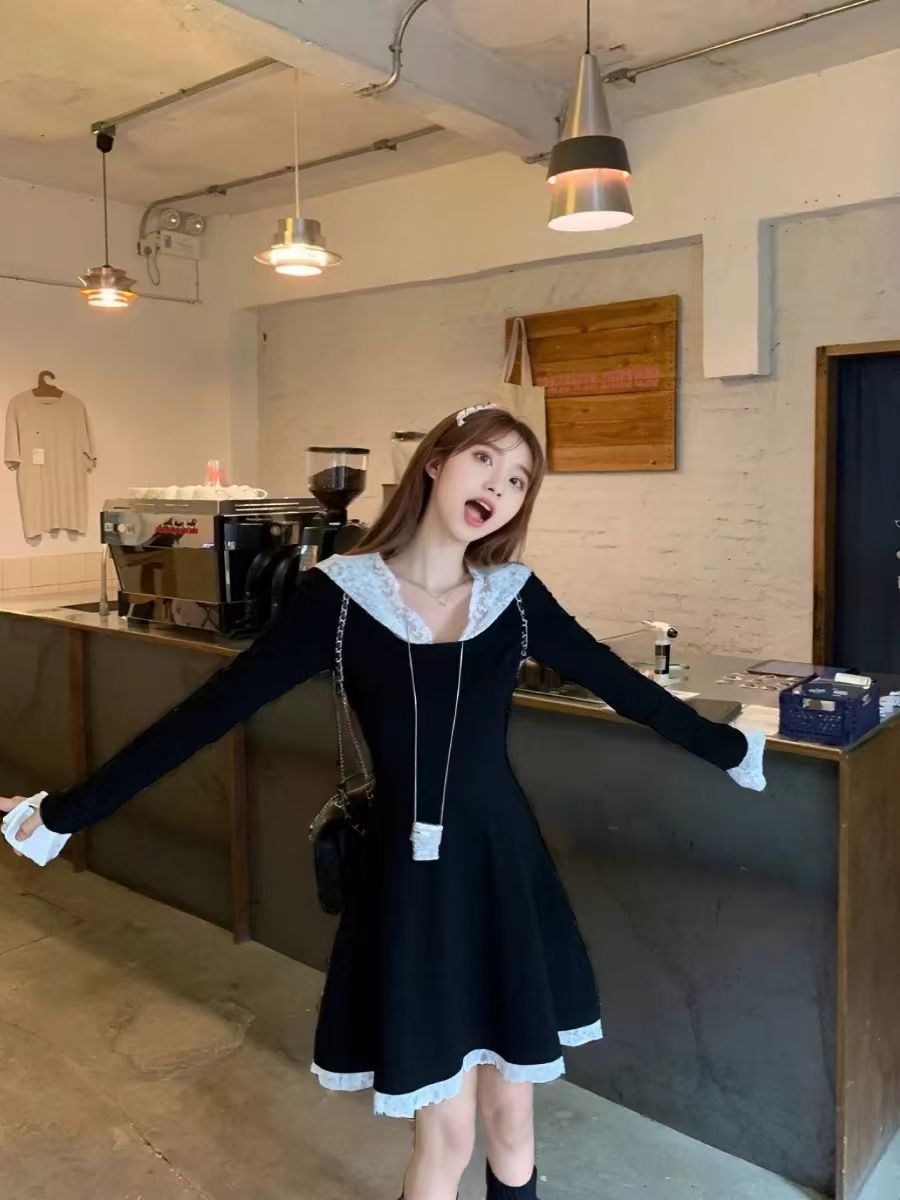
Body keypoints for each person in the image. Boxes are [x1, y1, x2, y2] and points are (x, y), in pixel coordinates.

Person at [1, 403, 765, 1200]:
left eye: (517, 481)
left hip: (503, 869)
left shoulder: (515, 596)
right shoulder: (341, 596)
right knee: (448, 1132)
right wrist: (63, 814)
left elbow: (621, 687)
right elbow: (207, 714)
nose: (498, 488)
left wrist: (729, 748)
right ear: (436, 462)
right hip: (411, 883)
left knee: (514, 1119)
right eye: (485, 461)